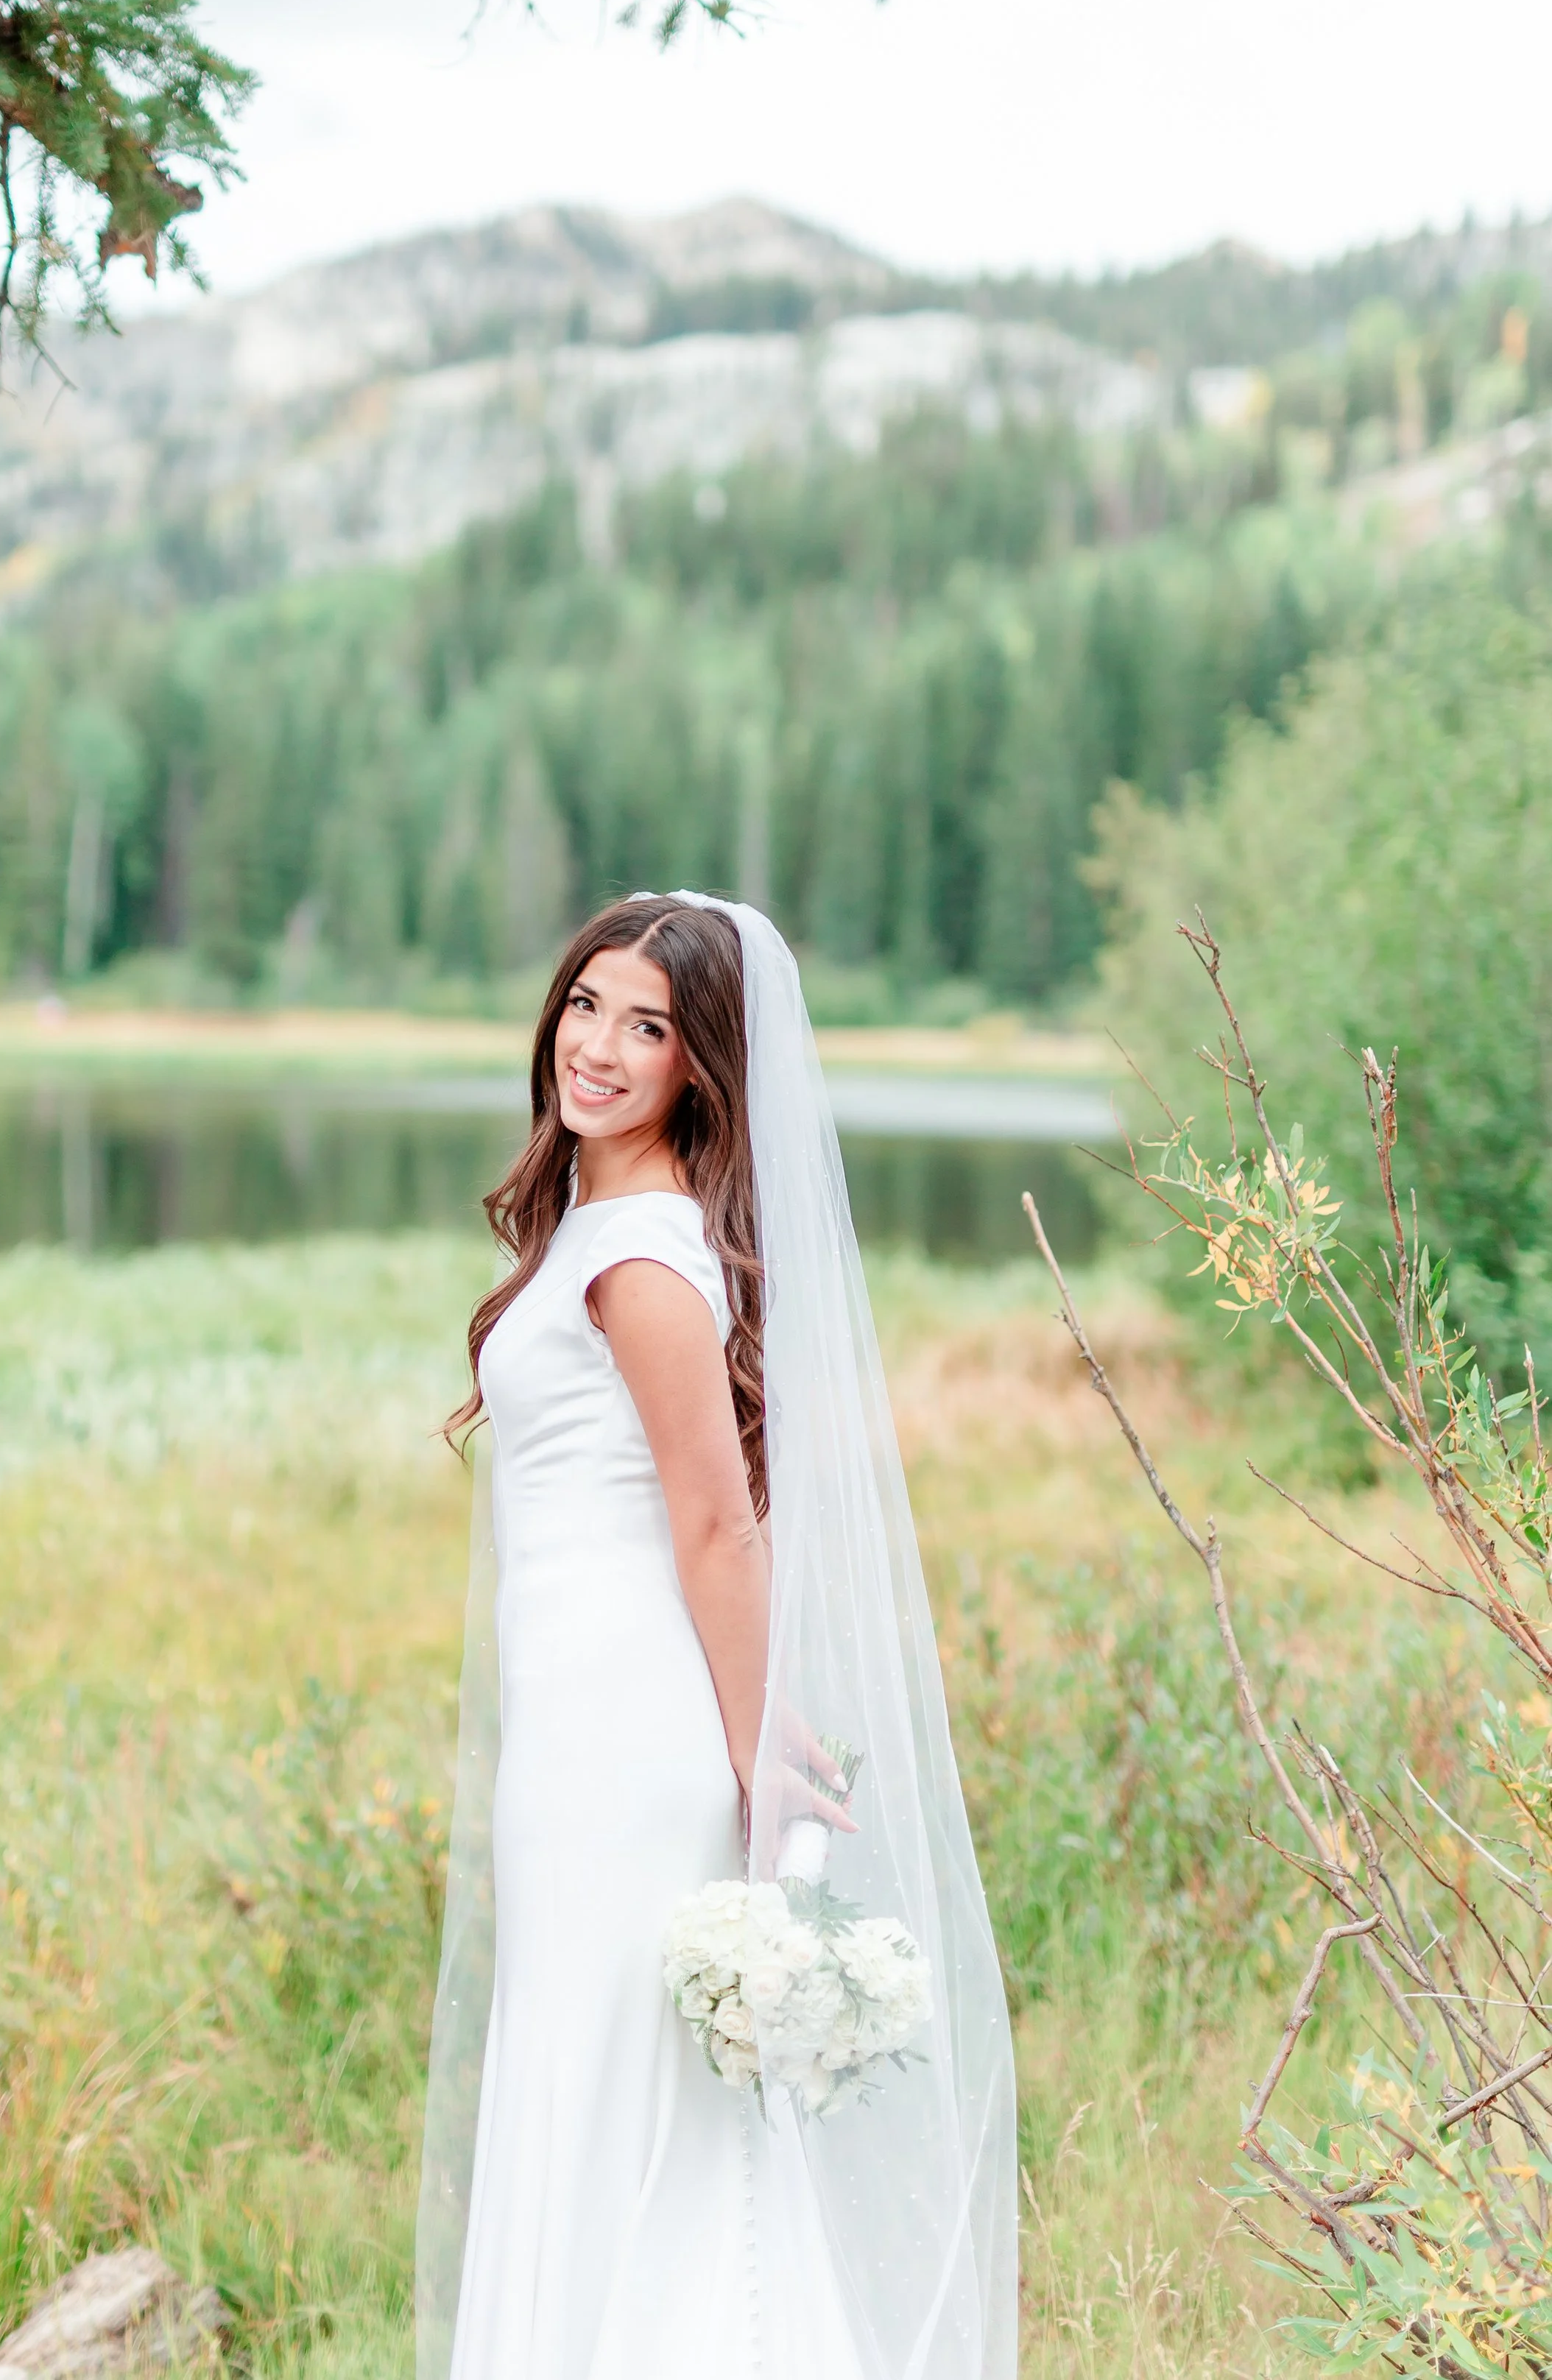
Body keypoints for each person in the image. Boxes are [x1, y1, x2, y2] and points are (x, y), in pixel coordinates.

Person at [418, 894, 1015, 2380]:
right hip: (579, 1736)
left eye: (649, 1028)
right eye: (584, 1008)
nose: (600, 1050)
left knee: (627, 2097)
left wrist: (755, 1754)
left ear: (703, 1067)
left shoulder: (639, 1260)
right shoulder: (606, 1232)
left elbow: (716, 1524)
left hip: (629, 1743)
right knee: (596, 2076)